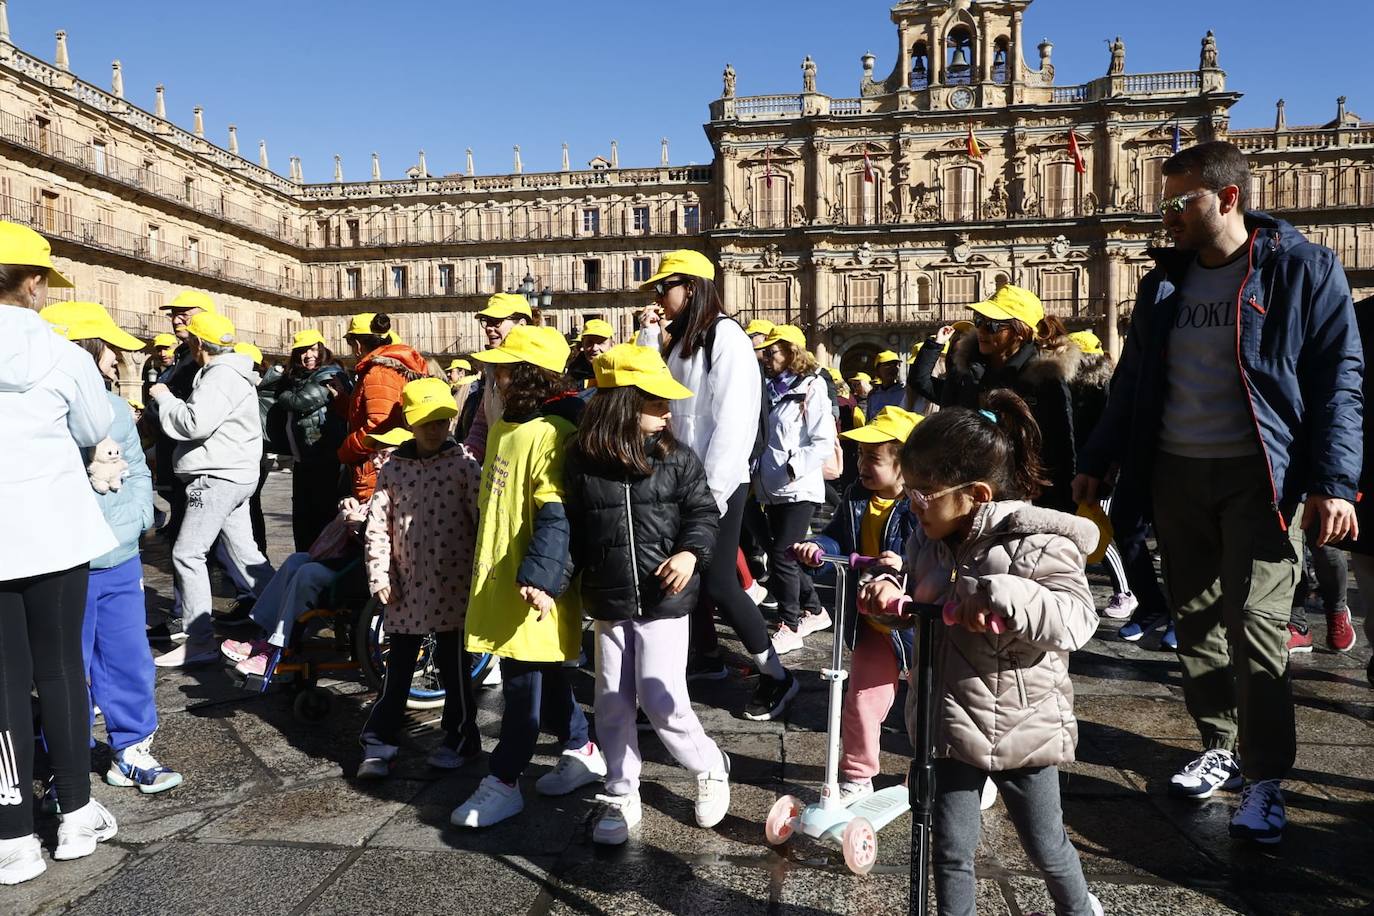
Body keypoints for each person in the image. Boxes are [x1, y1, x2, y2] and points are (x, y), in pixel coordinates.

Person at [1072, 141, 1362, 843]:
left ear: (1227, 198)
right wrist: (1099, 457)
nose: (1166, 216)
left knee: (1256, 628)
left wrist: (1333, 482)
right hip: (1174, 473)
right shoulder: (1163, 285)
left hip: (1261, 477)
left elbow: (1338, 380)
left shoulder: (1302, 268)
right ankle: (1219, 744)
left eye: (1180, 202)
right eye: (1163, 203)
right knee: (1195, 622)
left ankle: (1264, 780)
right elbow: (1132, 383)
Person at [862, 391, 1103, 916]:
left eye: (923, 493)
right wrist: (886, 591)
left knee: (1047, 847)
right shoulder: (931, 539)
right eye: (910, 491)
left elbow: (1076, 619)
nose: (912, 504)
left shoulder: (1039, 543)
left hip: (1023, 727)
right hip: (948, 724)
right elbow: (910, 588)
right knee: (949, 850)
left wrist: (1005, 593)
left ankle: (1080, 908)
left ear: (975, 493)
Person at [562, 344, 731, 845]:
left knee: (663, 697)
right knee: (611, 700)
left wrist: (689, 554)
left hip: (665, 599)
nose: (668, 409)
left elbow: (704, 514)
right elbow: (572, 527)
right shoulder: (583, 461)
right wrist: (554, 581)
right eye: (656, 401)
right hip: (609, 597)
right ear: (623, 404)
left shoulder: (676, 457)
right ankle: (619, 787)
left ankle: (709, 765)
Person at [0, 223, 119, 883]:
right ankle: (75, 812)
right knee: (61, 671)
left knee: (2, 683)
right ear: (32, 280)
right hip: (53, 528)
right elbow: (95, 426)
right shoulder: (62, 353)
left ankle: (12, 833)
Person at [452, 326, 607, 828]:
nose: (492, 376)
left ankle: (503, 778)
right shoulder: (506, 427)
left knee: (524, 684)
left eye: (502, 367)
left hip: (535, 581)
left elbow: (556, 511)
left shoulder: (555, 432)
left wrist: (540, 575)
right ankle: (583, 747)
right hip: (504, 575)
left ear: (523, 375)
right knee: (550, 673)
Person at [636, 250, 798, 721]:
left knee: (723, 585)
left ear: (692, 287)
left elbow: (733, 420)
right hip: (684, 482)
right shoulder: (681, 340)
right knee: (686, 582)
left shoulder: (725, 337)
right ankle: (698, 663)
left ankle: (777, 675)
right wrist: (649, 337)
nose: (659, 298)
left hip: (715, 485)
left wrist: (708, 493)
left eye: (664, 288)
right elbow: (652, 389)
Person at [39, 302, 183, 795]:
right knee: (65, 669)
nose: (115, 363)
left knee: (128, 657)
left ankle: (132, 750)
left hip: (118, 556)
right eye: (108, 353)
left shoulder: (116, 408)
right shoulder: (41, 410)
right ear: (85, 351)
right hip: (65, 561)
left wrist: (139, 516)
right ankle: (67, 764)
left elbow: (139, 468)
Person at [794, 406, 922, 802]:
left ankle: (945, 769)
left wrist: (904, 564)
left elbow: (934, 556)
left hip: (916, 626)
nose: (862, 465)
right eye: (861, 456)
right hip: (871, 623)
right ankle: (857, 774)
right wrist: (818, 547)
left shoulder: (921, 506)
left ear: (905, 466)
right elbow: (838, 538)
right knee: (861, 701)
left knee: (930, 707)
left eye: (874, 458)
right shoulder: (855, 497)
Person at [357, 379, 483, 778]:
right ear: (411, 424)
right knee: (397, 669)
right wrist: (379, 573)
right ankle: (380, 738)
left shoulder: (463, 464)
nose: (435, 429)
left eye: (442, 420)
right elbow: (378, 525)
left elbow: (482, 518)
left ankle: (460, 735)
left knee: (454, 666)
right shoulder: (394, 469)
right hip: (405, 587)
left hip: (454, 585)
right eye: (427, 421)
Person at [149, 312, 276, 667]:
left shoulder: (221, 376)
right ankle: (288, 618)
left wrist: (164, 397)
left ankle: (200, 640)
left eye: (189, 341)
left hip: (217, 476)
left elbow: (193, 423)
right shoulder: (231, 373)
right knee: (244, 555)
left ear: (199, 343)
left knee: (187, 554)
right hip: (233, 473)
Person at [939, 286, 1080, 511]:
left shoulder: (1045, 377)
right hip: (970, 491)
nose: (982, 330)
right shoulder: (963, 372)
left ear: (1020, 331)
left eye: (993, 324)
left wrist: (1061, 499)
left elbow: (1061, 443)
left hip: (1029, 494)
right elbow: (945, 428)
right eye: (979, 320)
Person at [753, 324, 837, 654]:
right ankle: (815, 610)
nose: (766, 357)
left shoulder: (813, 387)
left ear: (791, 352)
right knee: (785, 554)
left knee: (781, 555)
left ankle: (789, 623)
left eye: (772, 351)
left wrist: (792, 468)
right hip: (772, 488)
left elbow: (822, 440)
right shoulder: (768, 390)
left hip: (798, 488)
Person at [272, 329, 351, 551]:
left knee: (321, 516)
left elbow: (300, 402)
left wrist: (281, 394)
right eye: (303, 351)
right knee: (303, 517)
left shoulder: (329, 375)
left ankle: (321, 563)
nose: (308, 355)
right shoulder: (301, 377)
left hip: (323, 456)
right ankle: (304, 562)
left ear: (323, 350)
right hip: (304, 458)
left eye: (313, 349)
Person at [337, 312, 428, 502]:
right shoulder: (383, 370)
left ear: (358, 345)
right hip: (384, 464)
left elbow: (379, 424)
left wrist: (346, 449)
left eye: (351, 343)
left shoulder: (379, 373)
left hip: (376, 468)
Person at [150, 290, 217, 540]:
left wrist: (159, 401)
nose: (176, 320)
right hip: (178, 457)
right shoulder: (182, 355)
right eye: (174, 315)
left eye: (184, 315)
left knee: (190, 542)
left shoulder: (199, 360)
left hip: (194, 460)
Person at [457, 294, 532, 443]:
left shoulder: (536, 370)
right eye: (487, 322)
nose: (489, 328)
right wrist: (467, 459)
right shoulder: (491, 368)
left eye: (496, 322)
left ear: (521, 324)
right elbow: (482, 424)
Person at [566, 318, 615, 388]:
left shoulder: (621, 372)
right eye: (590, 342)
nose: (595, 348)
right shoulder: (573, 373)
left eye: (601, 342)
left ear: (612, 345)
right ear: (583, 343)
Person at [866, 351, 905, 416]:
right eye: (888, 365)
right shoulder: (873, 396)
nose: (893, 368)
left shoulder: (905, 393)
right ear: (878, 370)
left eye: (895, 364)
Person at [141, 332, 177, 404]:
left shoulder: (181, 371)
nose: (163, 354)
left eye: (167, 349)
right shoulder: (165, 372)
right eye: (159, 350)